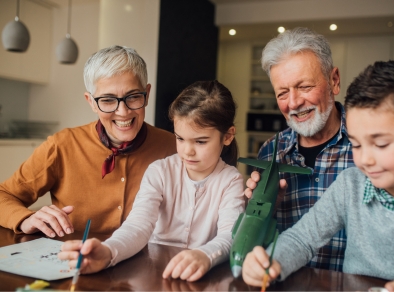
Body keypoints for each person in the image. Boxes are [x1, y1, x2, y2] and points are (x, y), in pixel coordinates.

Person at [242, 60, 394, 291]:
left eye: (381, 144)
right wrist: (271, 261)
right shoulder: (350, 184)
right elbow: (302, 239)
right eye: (355, 145)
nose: (365, 159)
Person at [58, 80, 245, 282]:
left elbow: (231, 236)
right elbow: (138, 225)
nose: (187, 151)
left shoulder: (231, 180)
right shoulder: (159, 171)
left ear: (227, 136)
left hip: (198, 277)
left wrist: (205, 255)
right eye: (180, 139)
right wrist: (108, 251)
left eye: (200, 141)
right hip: (152, 273)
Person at [0, 46, 176, 235]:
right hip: (75, 260)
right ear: (91, 102)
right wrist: (25, 218)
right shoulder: (62, 146)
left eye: (133, 97)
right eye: (108, 100)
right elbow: (4, 195)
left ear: (147, 94)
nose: (123, 112)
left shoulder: (174, 147)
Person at [245, 27, 354, 271]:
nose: (293, 103)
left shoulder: (369, 146)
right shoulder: (271, 151)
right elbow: (260, 242)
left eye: (304, 87)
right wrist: (260, 211)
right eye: (282, 93)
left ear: (334, 80)